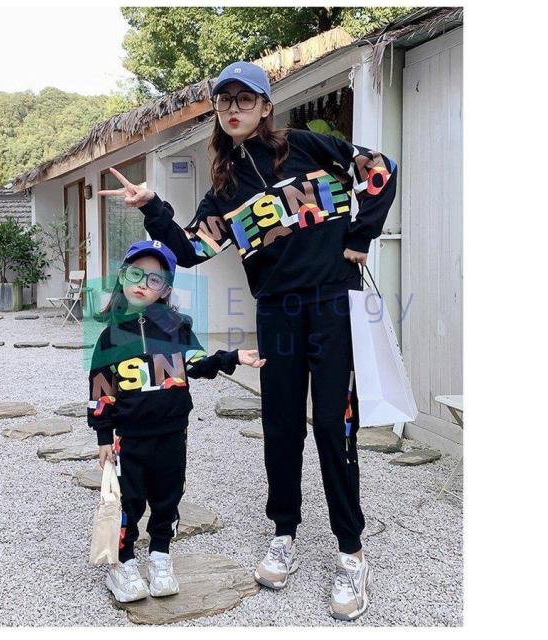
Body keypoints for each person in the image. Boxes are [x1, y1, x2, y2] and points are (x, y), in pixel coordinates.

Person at [98, 60, 398, 621]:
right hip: (277, 311)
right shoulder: (224, 188)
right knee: (281, 426)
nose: (233, 108)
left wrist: (361, 235)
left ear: (265, 107)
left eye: (245, 99)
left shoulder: (307, 146)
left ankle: (351, 553)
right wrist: (151, 207)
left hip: (332, 304)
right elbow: (190, 250)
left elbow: (380, 168)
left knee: (333, 426)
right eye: (224, 100)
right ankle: (284, 533)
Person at [87, 239, 266, 603]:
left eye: (154, 279)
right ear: (122, 277)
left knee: (168, 498)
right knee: (129, 501)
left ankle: (160, 556)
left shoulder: (177, 328)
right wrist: (104, 435)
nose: (142, 284)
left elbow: (197, 363)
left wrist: (232, 357)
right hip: (130, 439)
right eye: (136, 274)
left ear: (165, 289)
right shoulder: (109, 338)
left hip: (172, 434)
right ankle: (122, 562)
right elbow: (101, 388)